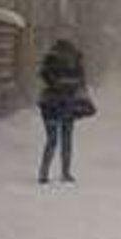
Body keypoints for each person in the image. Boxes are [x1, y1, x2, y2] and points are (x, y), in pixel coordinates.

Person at [37, 38, 93, 184]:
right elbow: (82, 83)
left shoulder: (50, 59)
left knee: (52, 140)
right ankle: (65, 172)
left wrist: (58, 84)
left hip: (49, 104)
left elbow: (44, 76)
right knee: (67, 139)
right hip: (68, 104)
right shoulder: (75, 61)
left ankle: (44, 172)